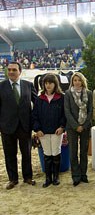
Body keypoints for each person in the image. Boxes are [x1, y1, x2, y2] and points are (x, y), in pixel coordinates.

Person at [0, 62, 37, 190]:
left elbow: (36, 104)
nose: (11, 72)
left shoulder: (28, 85)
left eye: (14, 70)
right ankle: (13, 179)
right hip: (6, 127)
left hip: (24, 126)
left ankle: (27, 177)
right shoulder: (1, 86)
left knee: (26, 153)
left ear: (20, 71)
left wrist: (34, 122)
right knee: (10, 154)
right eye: (9, 70)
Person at [32, 73, 66, 188]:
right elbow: (34, 115)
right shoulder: (39, 99)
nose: (48, 85)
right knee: (47, 154)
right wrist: (37, 129)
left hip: (57, 131)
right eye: (46, 83)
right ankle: (48, 178)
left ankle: (56, 177)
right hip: (43, 132)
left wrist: (62, 127)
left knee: (56, 153)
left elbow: (64, 114)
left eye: (50, 83)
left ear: (55, 84)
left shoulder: (61, 97)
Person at [64, 72, 93, 187]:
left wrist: (84, 125)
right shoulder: (68, 94)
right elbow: (67, 111)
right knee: (73, 152)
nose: (77, 82)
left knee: (84, 152)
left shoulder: (89, 93)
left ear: (82, 81)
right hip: (72, 127)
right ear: (72, 81)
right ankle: (75, 176)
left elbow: (91, 110)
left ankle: (83, 175)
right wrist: (76, 126)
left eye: (79, 80)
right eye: (75, 80)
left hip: (85, 127)